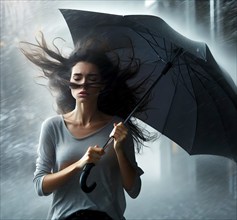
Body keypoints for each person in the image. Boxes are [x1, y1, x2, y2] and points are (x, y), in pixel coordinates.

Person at [20, 34, 155, 220]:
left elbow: (133, 190)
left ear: (101, 85)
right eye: (78, 77)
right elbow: (40, 186)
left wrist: (119, 149)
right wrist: (78, 165)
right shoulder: (52, 127)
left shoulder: (118, 128)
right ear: (70, 83)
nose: (84, 84)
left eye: (92, 78)